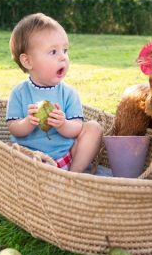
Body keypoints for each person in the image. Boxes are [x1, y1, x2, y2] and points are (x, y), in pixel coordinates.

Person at [6, 13, 103, 172]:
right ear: (28, 61)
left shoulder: (69, 93)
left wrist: (63, 124)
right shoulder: (19, 93)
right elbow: (13, 128)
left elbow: (77, 128)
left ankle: (74, 175)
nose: (63, 58)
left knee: (94, 128)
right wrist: (28, 122)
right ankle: (56, 178)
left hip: (64, 159)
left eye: (65, 50)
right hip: (29, 161)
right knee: (14, 151)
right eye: (53, 52)